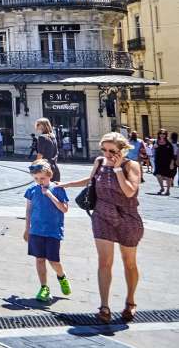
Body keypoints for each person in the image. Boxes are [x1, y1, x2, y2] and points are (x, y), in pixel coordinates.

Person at [57, 132, 142, 324]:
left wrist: (118, 168)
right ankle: (104, 306)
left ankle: (130, 302)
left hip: (127, 218)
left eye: (112, 150)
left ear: (122, 150)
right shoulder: (99, 162)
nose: (107, 154)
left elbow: (130, 191)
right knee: (104, 261)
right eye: (104, 149)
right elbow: (90, 181)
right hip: (102, 216)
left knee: (129, 262)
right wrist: (66, 185)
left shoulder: (132, 166)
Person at [24, 159, 71, 302]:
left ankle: (61, 276)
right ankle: (44, 287)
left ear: (50, 175)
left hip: (53, 231)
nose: (39, 181)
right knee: (39, 259)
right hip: (36, 230)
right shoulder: (31, 190)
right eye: (36, 178)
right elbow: (29, 211)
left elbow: (64, 209)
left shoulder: (58, 189)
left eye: (42, 178)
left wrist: (49, 195)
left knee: (53, 260)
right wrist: (27, 229)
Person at [34, 118, 61, 182]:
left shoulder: (42, 137)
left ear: (43, 126)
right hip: (55, 167)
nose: (36, 126)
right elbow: (56, 152)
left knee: (44, 189)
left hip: (46, 168)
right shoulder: (53, 136)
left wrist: (35, 166)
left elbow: (40, 154)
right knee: (55, 189)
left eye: (38, 124)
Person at [153, 129, 174, 196]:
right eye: (161, 133)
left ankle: (168, 190)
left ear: (166, 135)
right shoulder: (156, 142)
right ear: (159, 134)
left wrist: (172, 163)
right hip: (158, 162)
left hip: (167, 162)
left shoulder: (169, 143)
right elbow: (153, 149)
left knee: (168, 176)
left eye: (164, 134)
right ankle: (162, 188)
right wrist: (154, 147)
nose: (162, 135)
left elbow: (172, 154)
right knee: (158, 175)